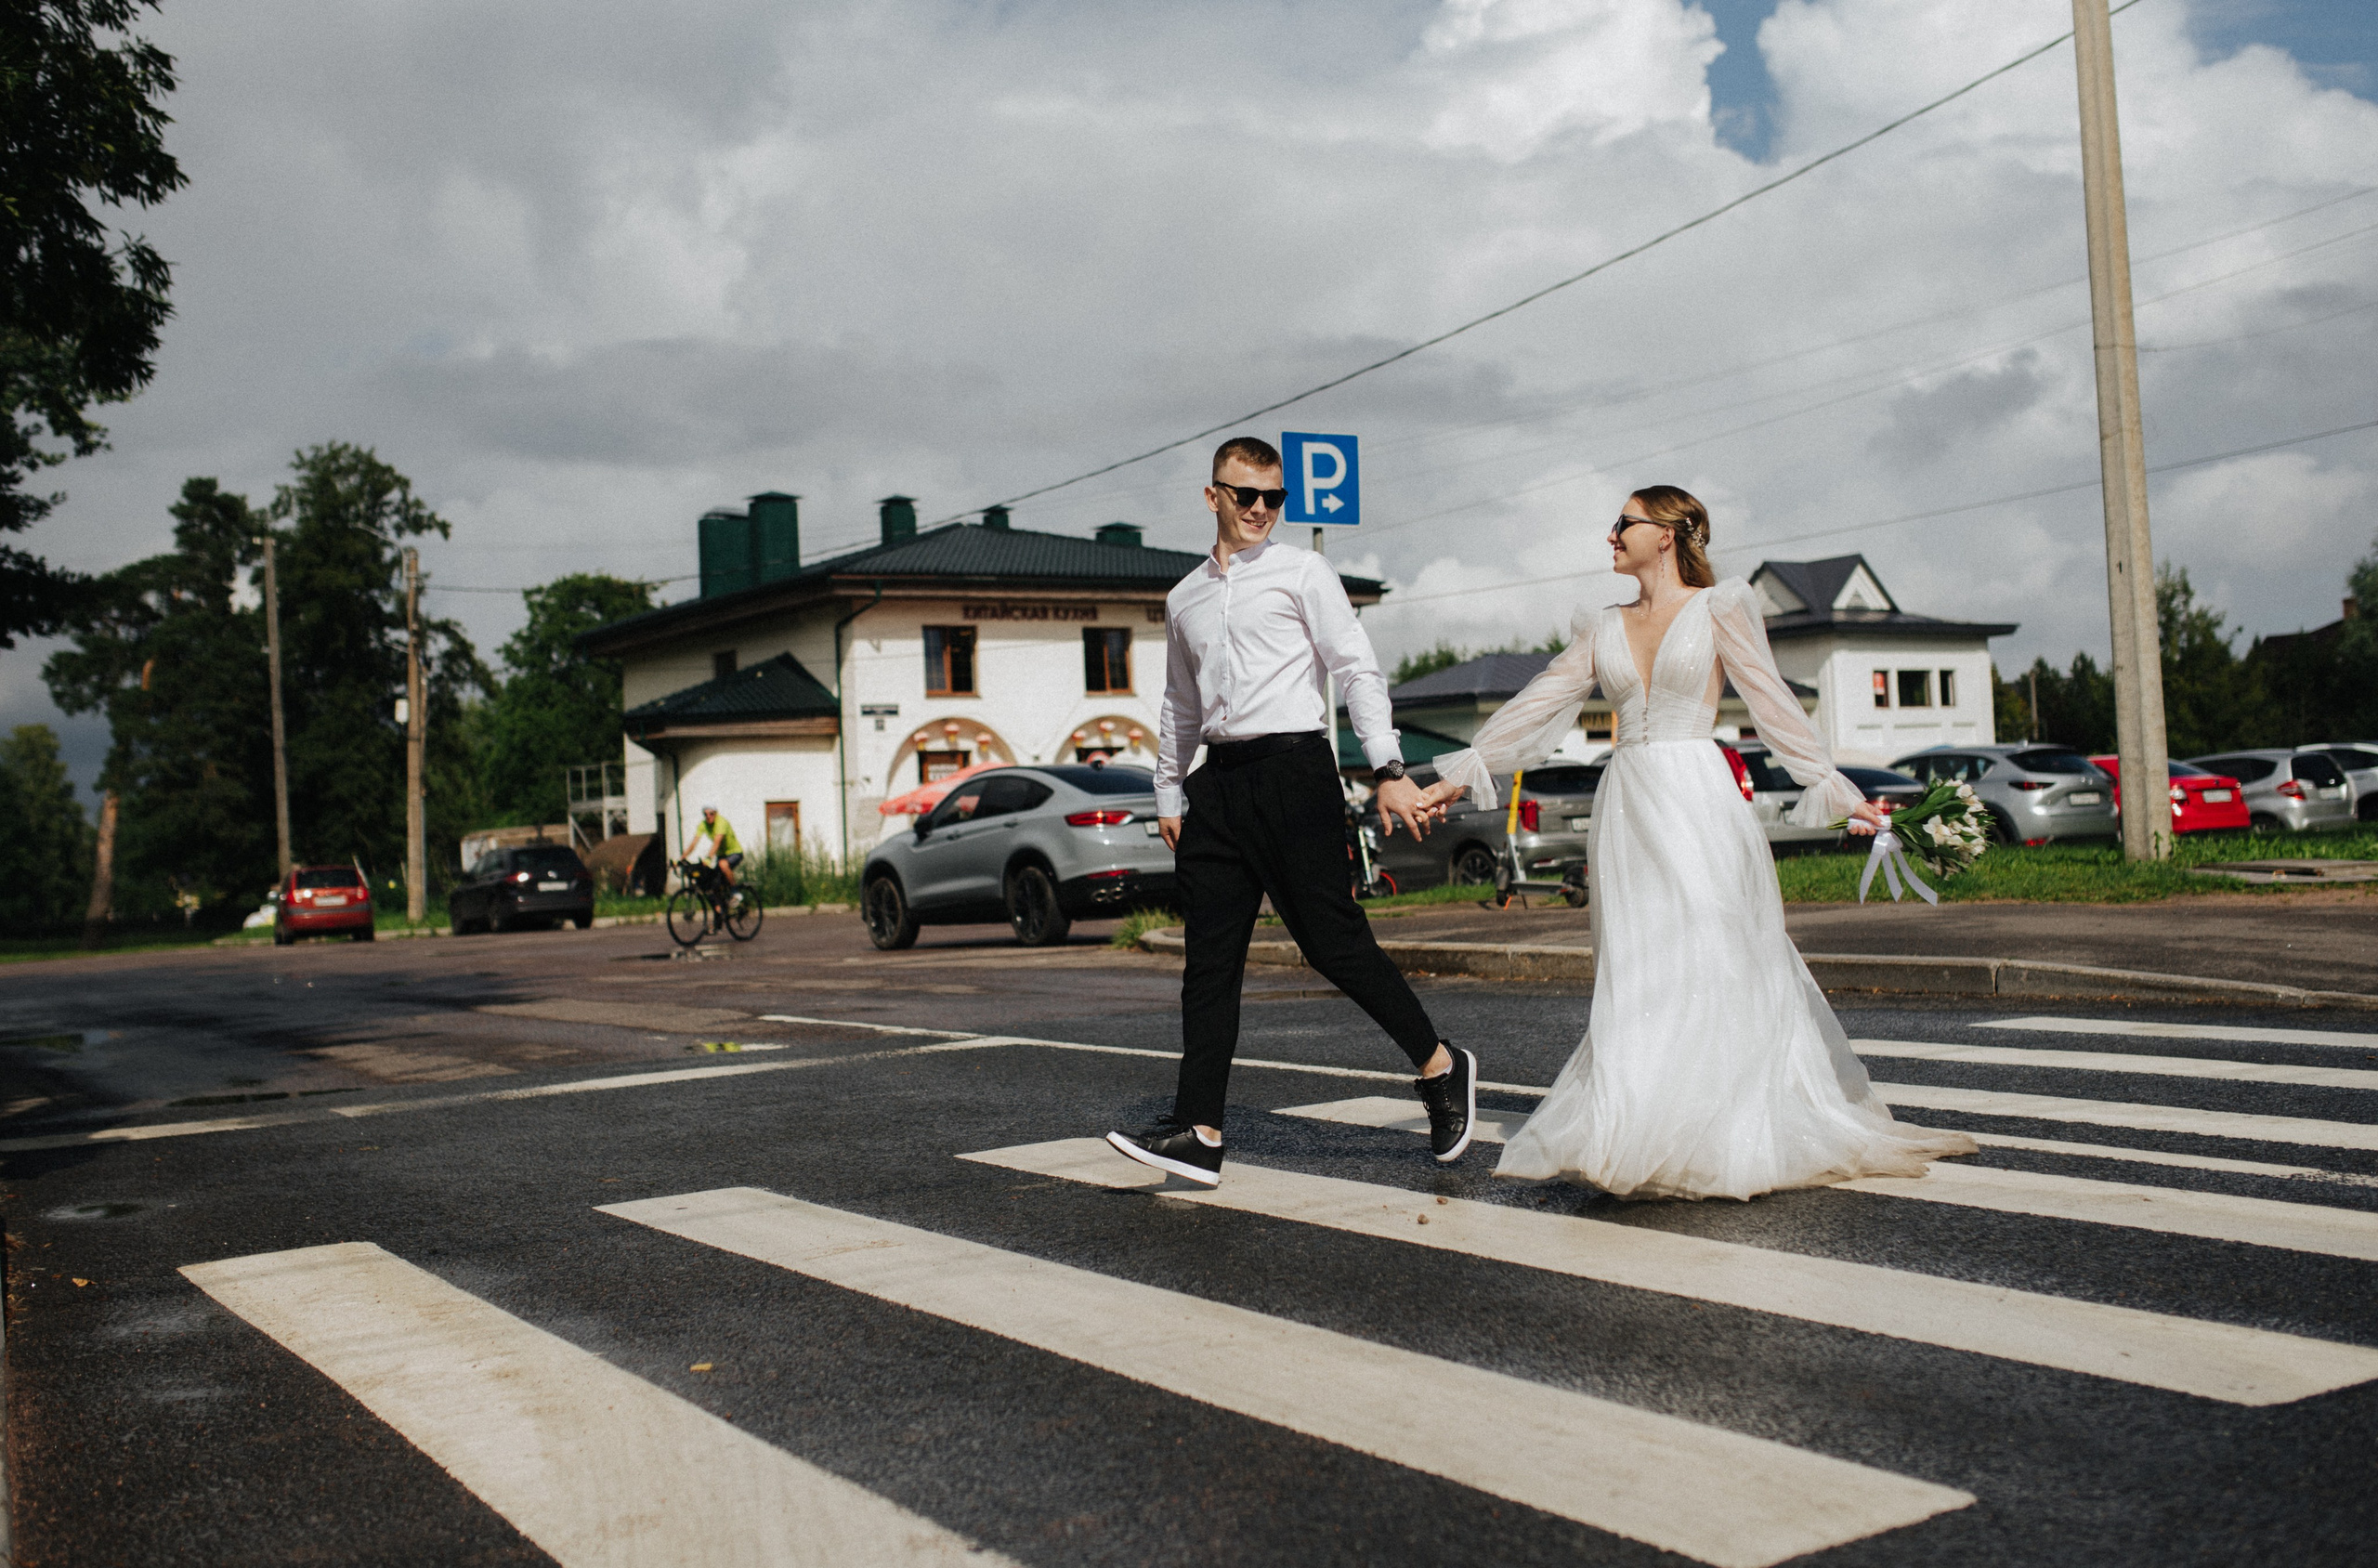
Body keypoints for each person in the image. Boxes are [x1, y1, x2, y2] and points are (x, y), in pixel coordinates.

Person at [1416, 486, 1976, 1200]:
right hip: (1628, 803)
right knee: (1642, 964)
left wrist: (1837, 791)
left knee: (1709, 952)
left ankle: (1720, 1127)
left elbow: (1771, 701)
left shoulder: (1721, 609)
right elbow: (1542, 699)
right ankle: (1642, 1123)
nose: (1611, 534)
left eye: (1625, 523)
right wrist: (1459, 775)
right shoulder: (1602, 624)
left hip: (1696, 796)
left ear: (1670, 535)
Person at [1104, 437, 1476, 1188]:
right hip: (1219, 785)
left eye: (1274, 498)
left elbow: (1356, 669)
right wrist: (1170, 791)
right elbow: (1180, 702)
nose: (1262, 511)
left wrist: (1390, 768)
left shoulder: (1304, 572)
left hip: (1295, 772)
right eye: (1247, 496)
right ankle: (1201, 1129)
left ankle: (1440, 1067)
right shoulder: (1183, 599)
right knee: (1208, 962)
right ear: (1212, 497)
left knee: (1331, 943)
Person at [684, 804, 744, 888]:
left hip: (735, 852)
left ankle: (735, 892)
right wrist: (682, 858)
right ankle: (722, 899)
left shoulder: (721, 822)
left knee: (723, 864)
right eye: (705, 814)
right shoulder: (703, 824)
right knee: (713, 881)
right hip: (721, 855)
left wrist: (709, 858)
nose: (708, 816)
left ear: (716, 813)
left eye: (711, 814)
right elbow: (693, 843)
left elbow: (717, 842)